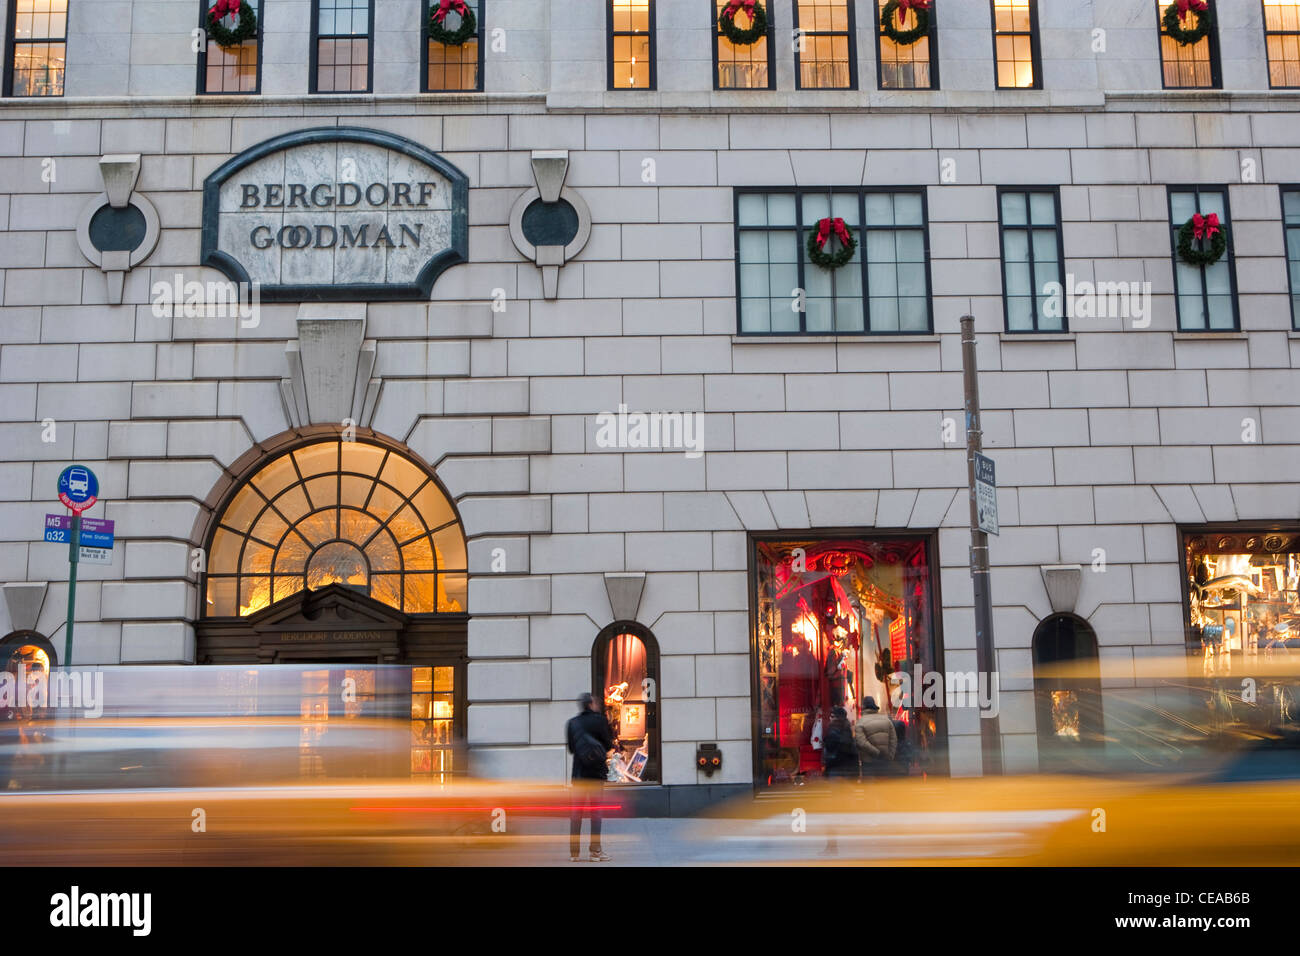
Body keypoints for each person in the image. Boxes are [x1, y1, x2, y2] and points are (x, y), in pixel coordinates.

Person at [565, 691, 615, 862]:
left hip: (579, 774)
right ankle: (595, 852)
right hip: (595, 774)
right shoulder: (600, 720)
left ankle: (574, 853)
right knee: (596, 813)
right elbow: (608, 744)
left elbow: (572, 749)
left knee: (576, 813)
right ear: (590, 704)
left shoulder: (572, 723)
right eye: (595, 702)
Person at [853, 696, 897, 778]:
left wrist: (877, 753)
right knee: (884, 784)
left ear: (863, 707)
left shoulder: (860, 722)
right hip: (885, 761)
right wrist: (890, 756)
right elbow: (893, 740)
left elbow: (861, 742)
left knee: (870, 785)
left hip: (868, 763)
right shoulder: (886, 720)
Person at [821, 705, 858, 779]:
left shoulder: (832, 729)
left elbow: (829, 749)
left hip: (834, 766)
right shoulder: (848, 729)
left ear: (836, 717)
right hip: (847, 767)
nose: (831, 718)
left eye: (832, 716)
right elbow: (853, 749)